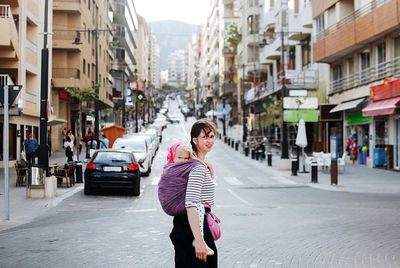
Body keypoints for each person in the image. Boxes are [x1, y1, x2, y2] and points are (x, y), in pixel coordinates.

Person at [169, 118, 218, 267]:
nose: (209, 141)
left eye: (211, 136)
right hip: (193, 226)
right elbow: (191, 203)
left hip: (190, 224)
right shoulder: (197, 167)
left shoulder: (198, 163)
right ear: (195, 140)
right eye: (204, 137)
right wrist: (199, 240)